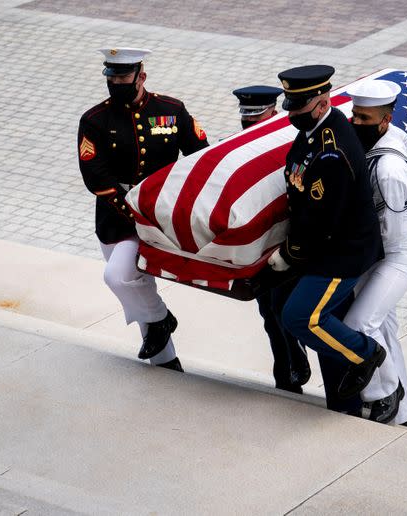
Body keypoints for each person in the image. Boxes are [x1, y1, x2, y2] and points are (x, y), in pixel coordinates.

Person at [77, 48, 209, 371]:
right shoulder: (94, 120)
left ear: (141, 76)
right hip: (114, 218)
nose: (116, 82)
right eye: (112, 76)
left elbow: (200, 159)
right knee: (138, 285)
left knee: (119, 276)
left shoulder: (171, 111)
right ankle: (167, 361)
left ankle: (162, 318)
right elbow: (96, 178)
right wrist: (132, 210)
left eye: (123, 77)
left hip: (155, 220)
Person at [268, 65, 385, 411]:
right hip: (321, 242)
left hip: (342, 252)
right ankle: (302, 367)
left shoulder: (333, 149)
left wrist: (289, 253)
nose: (291, 114)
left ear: (322, 103)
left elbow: (321, 220)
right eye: (289, 106)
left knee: (300, 317)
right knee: (277, 304)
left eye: (298, 107)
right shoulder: (315, 131)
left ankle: (364, 354)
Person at [342, 79, 407, 426]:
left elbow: (390, 233)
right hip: (382, 250)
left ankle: (384, 393)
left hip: (394, 255)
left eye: (364, 118)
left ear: (385, 120)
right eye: (354, 115)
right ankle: (404, 413)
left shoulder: (389, 168)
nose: (356, 122)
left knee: (361, 323)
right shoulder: (384, 142)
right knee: (384, 329)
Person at [231, 85, 311, 393]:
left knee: (287, 308)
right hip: (258, 246)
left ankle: (297, 357)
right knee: (269, 311)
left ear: (273, 113)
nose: (249, 123)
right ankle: (286, 374)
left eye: (256, 116)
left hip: (291, 242)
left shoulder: (290, 141)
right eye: (245, 117)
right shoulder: (236, 147)